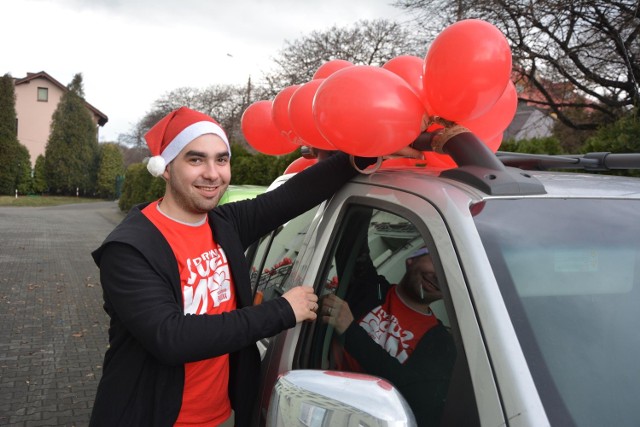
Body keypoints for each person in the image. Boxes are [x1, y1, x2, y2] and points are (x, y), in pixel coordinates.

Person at [89, 106, 421, 427]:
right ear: (165, 167)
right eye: (195, 159)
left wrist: (368, 151)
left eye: (221, 159)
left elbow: (292, 196)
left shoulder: (222, 223)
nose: (212, 173)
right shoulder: (129, 248)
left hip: (223, 414)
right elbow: (170, 337)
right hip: (153, 417)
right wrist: (281, 311)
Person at [321, 247, 455, 427]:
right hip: (320, 397)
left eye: (448, 275)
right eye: (436, 262)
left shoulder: (441, 344)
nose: (439, 276)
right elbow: (352, 236)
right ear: (411, 260)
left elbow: (415, 397)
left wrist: (350, 331)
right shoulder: (368, 286)